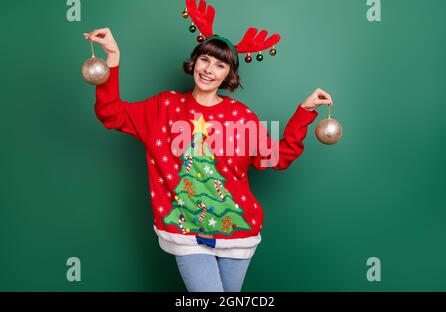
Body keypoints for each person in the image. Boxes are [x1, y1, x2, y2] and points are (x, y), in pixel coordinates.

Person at [84, 27, 333, 292]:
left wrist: (305, 112)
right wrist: (112, 55)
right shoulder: (164, 107)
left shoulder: (240, 116)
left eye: (220, 64)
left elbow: (278, 157)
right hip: (186, 230)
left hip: (237, 232)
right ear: (194, 61)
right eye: (204, 59)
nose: (209, 70)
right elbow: (111, 112)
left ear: (229, 74)